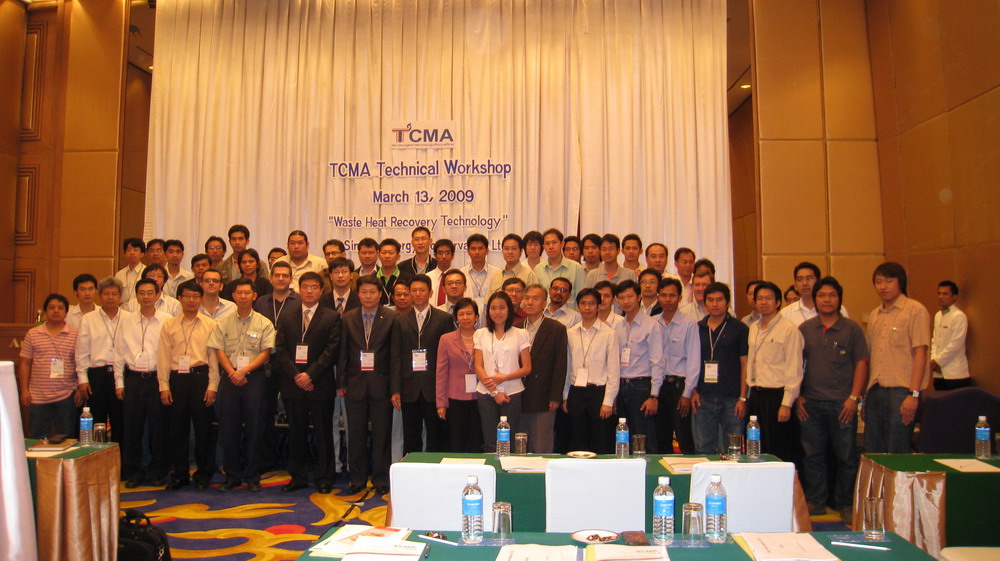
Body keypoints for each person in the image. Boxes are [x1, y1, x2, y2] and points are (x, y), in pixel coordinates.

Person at [795, 276, 869, 519]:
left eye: (832, 295)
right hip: (811, 403)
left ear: (839, 299)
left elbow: (861, 363)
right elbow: (796, 366)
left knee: (846, 456)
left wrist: (853, 398)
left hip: (842, 404)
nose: (827, 300)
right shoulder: (805, 329)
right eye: (822, 295)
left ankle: (845, 503)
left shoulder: (852, 329)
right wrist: (799, 396)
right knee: (812, 455)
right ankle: (816, 501)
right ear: (815, 300)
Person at [273, 272, 342, 493]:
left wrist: (310, 375)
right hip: (293, 384)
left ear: (321, 291)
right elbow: (280, 349)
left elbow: (331, 351)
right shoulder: (287, 316)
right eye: (305, 287)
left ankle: (325, 477)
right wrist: (297, 375)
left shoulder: (332, 317)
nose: (309, 291)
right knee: (296, 432)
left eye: (314, 287)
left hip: (320, 384)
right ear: (299, 290)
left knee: (323, 433)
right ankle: (298, 477)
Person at [209, 277, 276, 491]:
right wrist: (232, 372)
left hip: (254, 378)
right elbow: (219, 350)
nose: (243, 296)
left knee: (255, 429)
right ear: (234, 296)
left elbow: (266, 352)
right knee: (229, 429)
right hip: (229, 378)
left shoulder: (264, 323)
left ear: (254, 296)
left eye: (247, 293)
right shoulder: (223, 322)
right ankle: (232, 476)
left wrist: (244, 371)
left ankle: (252, 476)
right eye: (239, 293)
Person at [158, 279, 219, 490]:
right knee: (177, 429)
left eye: (195, 296)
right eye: (187, 296)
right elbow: (163, 357)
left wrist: (213, 386)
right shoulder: (169, 325)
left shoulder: (210, 324)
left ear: (201, 299)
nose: (191, 300)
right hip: (177, 379)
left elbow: (213, 358)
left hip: (200, 377)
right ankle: (180, 473)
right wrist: (164, 386)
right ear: (179, 299)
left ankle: (203, 474)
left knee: (204, 429)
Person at [338, 275, 396, 495]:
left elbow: (395, 356)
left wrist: (395, 388)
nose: (368, 296)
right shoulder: (348, 317)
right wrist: (341, 382)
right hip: (355, 384)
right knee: (356, 434)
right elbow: (343, 352)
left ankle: (381, 479)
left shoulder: (391, 317)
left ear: (380, 294)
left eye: (372, 292)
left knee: (382, 435)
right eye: (364, 292)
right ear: (358, 294)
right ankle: (357, 479)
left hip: (382, 384)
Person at [865, 262, 930, 454]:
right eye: (878, 282)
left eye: (888, 281)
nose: (883, 286)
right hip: (875, 389)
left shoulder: (915, 310)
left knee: (897, 449)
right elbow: (871, 355)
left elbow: (921, 354)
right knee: (873, 450)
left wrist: (913, 395)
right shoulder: (875, 315)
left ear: (900, 282)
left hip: (902, 392)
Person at [115, 278, 172, 488]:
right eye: (142, 293)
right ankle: (134, 471)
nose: (146, 297)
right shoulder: (126, 320)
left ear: (158, 295)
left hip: (157, 379)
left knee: (159, 428)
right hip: (133, 379)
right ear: (136, 295)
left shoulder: (167, 320)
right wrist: (119, 382)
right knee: (132, 428)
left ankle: (158, 471)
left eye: (150, 293)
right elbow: (118, 352)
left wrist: (166, 384)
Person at [390, 274, 455, 453]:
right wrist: (395, 389)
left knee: (436, 437)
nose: (417, 294)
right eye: (414, 290)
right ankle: (412, 469)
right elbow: (395, 356)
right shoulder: (399, 320)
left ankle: (435, 468)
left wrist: (445, 389)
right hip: (409, 387)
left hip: (434, 388)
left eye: (422, 290)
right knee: (411, 437)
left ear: (430, 292)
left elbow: (448, 358)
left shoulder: (443, 319)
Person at [745, 281, 804, 464]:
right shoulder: (753, 328)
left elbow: (794, 369)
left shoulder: (789, 329)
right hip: (756, 395)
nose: (763, 302)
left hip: (777, 396)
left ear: (778, 302)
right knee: (757, 448)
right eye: (760, 298)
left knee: (780, 449)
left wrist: (786, 404)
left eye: (768, 298)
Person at [253, 260, 300, 471]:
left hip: (291, 364)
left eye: (285, 275)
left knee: (294, 414)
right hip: (266, 362)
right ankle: (267, 459)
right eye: (277, 275)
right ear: (270, 278)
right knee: (265, 413)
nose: (281, 279)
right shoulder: (261, 302)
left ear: (291, 279)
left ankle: (295, 462)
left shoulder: (299, 301)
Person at [691, 282, 749, 455]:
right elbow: (691, 363)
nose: (714, 304)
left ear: (727, 302)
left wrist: (743, 398)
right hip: (703, 397)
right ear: (705, 303)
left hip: (732, 398)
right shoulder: (697, 328)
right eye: (710, 300)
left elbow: (745, 365)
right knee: (703, 448)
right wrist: (693, 390)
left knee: (732, 450)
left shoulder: (739, 328)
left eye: (719, 300)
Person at [563, 288, 620, 453]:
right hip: (576, 392)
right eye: (583, 303)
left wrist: (608, 401)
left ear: (598, 306)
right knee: (576, 440)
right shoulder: (570, 333)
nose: (587, 307)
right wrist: (565, 396)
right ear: (578, 306)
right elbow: (567, 366)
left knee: (600, 440)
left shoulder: (609, 333)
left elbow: (613, 370)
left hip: (599, 392)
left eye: (591, 304)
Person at [474, 292, 532, 452]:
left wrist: (504, 378)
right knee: (490, 441)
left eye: (501, 308)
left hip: (513, 393)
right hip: (486, 394)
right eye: (493, 308)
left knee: (509, 441)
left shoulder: (520, 333)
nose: (497, 312)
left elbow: (527, 368)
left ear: (509, 310)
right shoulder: (481, 334)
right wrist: (494, 391)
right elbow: (478, 366)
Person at [75, 276, 130, 444]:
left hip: (122, 375)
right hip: (97, 375)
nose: (110, 297)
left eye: (114, 293)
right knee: (96, 420)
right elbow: (81, 351)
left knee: (121, 421)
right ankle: (95, 457)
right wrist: (83, 379)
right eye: (106, 293)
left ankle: (120, 458)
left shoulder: (129, 318)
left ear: (120, 296)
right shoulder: (89, 319)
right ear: (100, 296)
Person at [19, 294, 79, 439]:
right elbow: (25, 363)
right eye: (51, 308)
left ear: (66, 312)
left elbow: (81, 364)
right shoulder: (33, 334)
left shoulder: (75, 334)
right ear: (45, 311)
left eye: (60, 308)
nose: (56, 311)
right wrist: (24, 390)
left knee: (67, 438)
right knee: (36, 438)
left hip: (66, 394)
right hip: (38, 395)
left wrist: (78, 388)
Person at [516, 284, 568, 453]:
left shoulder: (556, 329)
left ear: (545, 303)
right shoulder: (515, 328)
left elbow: (560, 364)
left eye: (535, 298)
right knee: (520, 446)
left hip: (544, 396)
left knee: (541, 445)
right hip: (517, 395)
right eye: (527, 298)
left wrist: (555, 395)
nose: (530, 302)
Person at [613, 279, 664, 452]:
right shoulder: (618, 326)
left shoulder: (651, 325)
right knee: (624, 435)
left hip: (641, 387)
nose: (626, 301)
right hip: (622, 386)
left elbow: (658, 362)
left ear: (639, 297)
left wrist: (654, 396)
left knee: (644, 435)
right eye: (621, 298)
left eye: (630, 296)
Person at [654, 277, 700, 454]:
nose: (667, 300)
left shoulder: (689, 325)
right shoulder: (653, 323)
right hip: (658, 386)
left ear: (680, 298)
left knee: (684, 436)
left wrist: (687, 393)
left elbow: (694, 361)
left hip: (679, 387)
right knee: (661, 437)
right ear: (658, 297)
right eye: (664, 295)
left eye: (672, 295)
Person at [436, 298, 484, 452]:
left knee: (476, 441)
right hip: (455, 398)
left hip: (480, 396)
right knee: (456, 442)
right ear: (456, 318)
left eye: (469, 313)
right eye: (461, 314)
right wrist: (441, 403)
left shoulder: (485, 337)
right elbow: (441, 372)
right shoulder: (446, 339)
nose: (465, 317)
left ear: (476, 316)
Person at [781, 262, 849, 326]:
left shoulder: (839, 309)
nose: (805, 283)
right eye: (800, 279)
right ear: (795, 285)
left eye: (810, 279)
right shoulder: (785, 313)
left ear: (818, 282)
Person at [931, 280, 970, 390]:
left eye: (945, 294)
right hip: (939, 374)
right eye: (939, 293)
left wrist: (938, 361)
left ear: (954, 297)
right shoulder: (938, 315)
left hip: (955, 374)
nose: (941, 297)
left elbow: (956, 344)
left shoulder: (958, 316)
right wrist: (933, 359)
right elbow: (935, 340)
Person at [534, 228, 587, 308]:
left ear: (562, 244)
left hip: (570, 314)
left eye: (554, 242)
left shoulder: (576, 268)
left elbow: (582, 298)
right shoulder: (538, 269)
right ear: (543, 246)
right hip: (545, 313)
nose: (551, 247)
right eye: (547, 243)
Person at [461, 233, 500, 308]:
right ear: (468, 251)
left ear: (487, 250)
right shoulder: (461, 274)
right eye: (473, 249)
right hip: (467, 313)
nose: (477, 252)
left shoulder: (497, 273)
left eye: (480, 248)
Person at [114, 238, 146, 303]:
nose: (132, 253)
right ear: (125, 254)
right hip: (122, 308)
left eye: (135, 250)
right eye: (128, 250)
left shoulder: (146, 272)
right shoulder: (119, 274)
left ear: (142, 254)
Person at [427, 239, 456, 307]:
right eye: (440, 253)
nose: (444, 256)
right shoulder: (428, 278)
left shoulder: (459, 278)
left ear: (452, 255)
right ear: (435, 255)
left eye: (447, 253)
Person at [376, 238, 403, 307]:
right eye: (384, 253)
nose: (387, 256)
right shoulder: (372, 278)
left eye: (391, 253)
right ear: (378, 256)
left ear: (398, 256)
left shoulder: (407, 278)